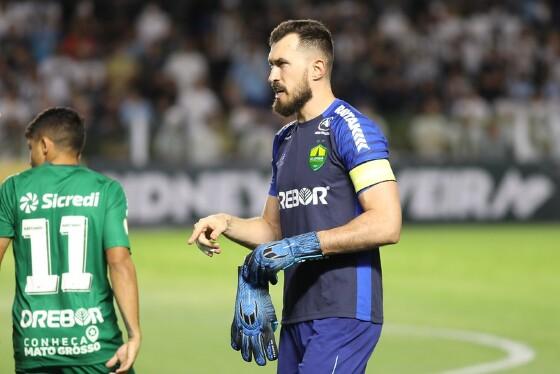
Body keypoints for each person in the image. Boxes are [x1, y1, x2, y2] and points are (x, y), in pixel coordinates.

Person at [189, 19, 401, 373]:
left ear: (317, 68)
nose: (271, 76)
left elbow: (387, 222)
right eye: (270, 65)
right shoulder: (284, 140)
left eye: (281, 64)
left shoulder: (351, 128)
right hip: (297, 313)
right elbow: (273, 231)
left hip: (344, 311)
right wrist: (225, 222)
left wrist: (298, 248)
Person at [0, 107, 141, 374]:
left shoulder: (13, 188)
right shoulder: (106, 189)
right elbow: (120, 263)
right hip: (95, 344)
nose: (30, 158)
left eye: (30, 148)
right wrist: (134, 334)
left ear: (44, 146)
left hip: (34, 346)